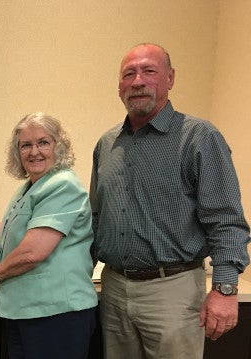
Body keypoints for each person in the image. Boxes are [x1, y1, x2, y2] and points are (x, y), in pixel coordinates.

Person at [90, 43, 250, 359]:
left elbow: (226, 221)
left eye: (149, 71)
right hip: (114, 288)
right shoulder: (106, 144)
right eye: (128, 74)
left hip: (173, 292)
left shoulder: (199, 137)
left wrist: (225, 290)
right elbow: (95, 219)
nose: (137, 81)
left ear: (170, 78)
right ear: (119, 86)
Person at [0, 113, 98, 359]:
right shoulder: (31, 185)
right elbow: (16, 224)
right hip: (28, 310)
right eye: (25, 145)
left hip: (56, 314)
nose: (34, 151)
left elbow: (32, 252)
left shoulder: (63, 185)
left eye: (43, 142)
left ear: (58, 146)